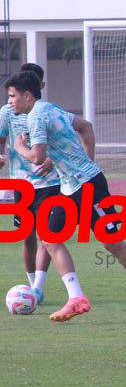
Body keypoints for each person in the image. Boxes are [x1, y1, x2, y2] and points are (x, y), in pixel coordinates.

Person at [4, 70, 126, 323]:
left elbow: (35, 156)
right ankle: (76, 298)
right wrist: (62, 161)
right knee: (48, 236)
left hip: (89, 186)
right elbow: (84, 127)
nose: (10, 101)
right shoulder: (50, 108)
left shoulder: (36, 116)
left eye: (12, 96)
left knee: (112, 243)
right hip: (70, 187)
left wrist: (19, 148)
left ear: (27, 95)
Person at [0, 63, 60, 303]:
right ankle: (30, 280)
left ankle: (36, 288)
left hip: (49, 181)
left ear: (39, 87)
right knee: (27, 235)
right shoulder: (6, 112)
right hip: (21, 183)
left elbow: (63, 141)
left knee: (48, 235)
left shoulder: (48, 111)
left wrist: (53, 160)